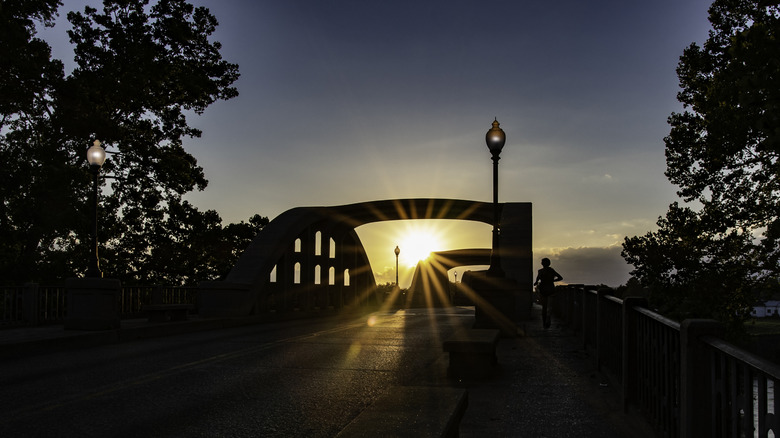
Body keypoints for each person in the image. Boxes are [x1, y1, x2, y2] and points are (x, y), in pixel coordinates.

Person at [533, 258, 563, 329]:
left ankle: (544, 323)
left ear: (542, 264)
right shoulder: (551, 270)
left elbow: (536, 281)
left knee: (544, 307)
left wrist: (536, 283)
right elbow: (560, 278)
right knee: (549, 307)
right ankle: (548, 318)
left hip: (543, 291)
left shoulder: (540, 271)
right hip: (551, 290)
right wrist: (553, 280)